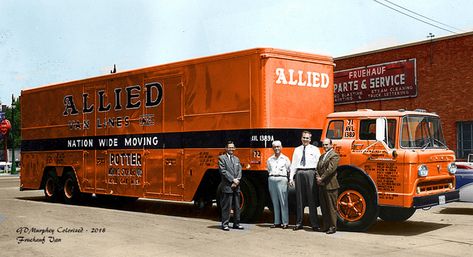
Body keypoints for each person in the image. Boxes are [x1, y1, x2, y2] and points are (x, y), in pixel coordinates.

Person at [289, 131, 321, 231]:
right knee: (299, 199)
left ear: (310, 139)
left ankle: (314, 224)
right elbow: (293, 164)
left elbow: (318, 164)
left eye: (307, 138)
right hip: (299, 173)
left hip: (310, 173)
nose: (305, 140)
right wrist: (291, 178)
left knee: (312, 198)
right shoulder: (297, 150)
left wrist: (318, 176)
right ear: (301, 138)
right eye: (304, 138)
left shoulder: (315, 149)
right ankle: (299, 223)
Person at [316, 138, 340, 234]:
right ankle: (325, 226)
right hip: (322, 185)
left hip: (331, 185)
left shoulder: (334, 155)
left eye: (326, 145)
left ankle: (333, 227)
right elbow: (317, 168)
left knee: (331, 207)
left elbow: (331, 169)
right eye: (324, 145)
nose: (325, 146)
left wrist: (321, 178)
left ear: (331, 145)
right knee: (324, 207)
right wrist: (318, 177)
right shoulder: (321, 157)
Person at [218, 141, 244, 231]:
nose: (231, 149)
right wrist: (233, 180)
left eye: (233, 147)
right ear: (226, 148)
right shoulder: (222, 158)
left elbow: (240, 170)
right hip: (227, 186)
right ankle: (225, 224)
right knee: (227, 206)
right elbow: (223, 171)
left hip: (236, 186)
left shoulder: (237, 159)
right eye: (229, 147)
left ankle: (236, 223)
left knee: (237, 206)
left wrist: (237, 180)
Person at [267, 140, 291, 229]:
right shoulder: (270, 159)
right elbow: (269, 169)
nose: (276, 148)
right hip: (272, 179)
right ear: (272, 148)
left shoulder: (285, 159)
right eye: (275, 147)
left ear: (281, 147)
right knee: (275, 201)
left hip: (282, 179)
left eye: (278, 147)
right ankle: (276, 221)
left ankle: (285, 222)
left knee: (283, 201)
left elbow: (289, 170)